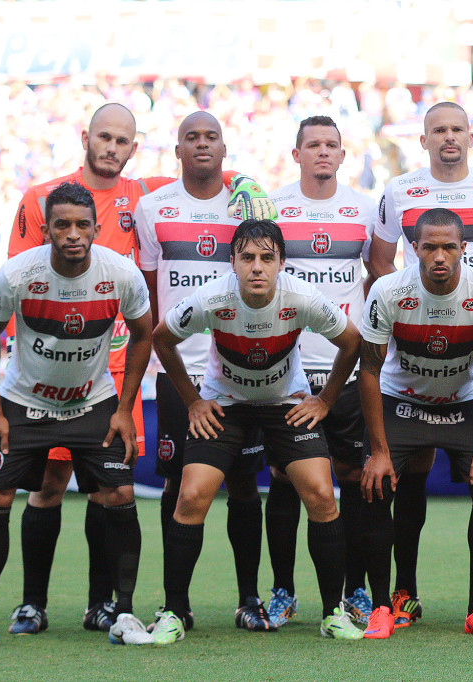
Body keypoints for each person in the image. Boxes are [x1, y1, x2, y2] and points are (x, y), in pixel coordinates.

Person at [5, 103, 274, 635]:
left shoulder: (143, 196)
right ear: (86, 137)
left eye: (122, 140)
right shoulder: (42, 199)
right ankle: (32, 602)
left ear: (136, 146)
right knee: (52, 483)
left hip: (117, 371)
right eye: (104, 137)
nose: (112, 147)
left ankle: (101, 602)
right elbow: (16, 285)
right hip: (54, 368)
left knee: (110, 486)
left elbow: (205, 168)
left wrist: (244, 179)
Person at [0, 181, 154, 647]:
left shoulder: (121, 273)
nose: (73, 234)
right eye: (62, 225)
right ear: (47, 231)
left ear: (97, 229)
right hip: (24, 405)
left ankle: (124, 614)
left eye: (82, 225)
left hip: (92, 403)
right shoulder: (17, 274)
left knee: (119, 494)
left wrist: (123, 407)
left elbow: (143, 335)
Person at [150, 219, 364, 643]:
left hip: (285, 404)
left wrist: (324, 400)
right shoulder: (212, 297)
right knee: (190, 495)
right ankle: (174, 612)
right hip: (225, 405)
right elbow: (161, 338)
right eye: (247, 257)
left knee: (322, 495)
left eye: (268, 257)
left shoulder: (301, 296)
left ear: (282, 262)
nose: (257, 267)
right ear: (232, 262)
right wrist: (193, 401)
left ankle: (332, 612)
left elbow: (353, 342)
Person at [368, 102, 473, 628]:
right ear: (425, 139)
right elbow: (378, 261)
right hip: (408, 378)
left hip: (471, 362)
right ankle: (396, 597)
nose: (449, 138)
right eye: (439, 130)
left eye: (457, 129)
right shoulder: (399, 191)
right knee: (391, 480)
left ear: (470, 136)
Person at [135, 111, 268, 632]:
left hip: (241, 367)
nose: (202, 144)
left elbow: (266, 271)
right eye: (191, 137)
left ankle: (249, 598)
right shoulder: (154, 207)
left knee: (243, 483)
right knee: (176, 486)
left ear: (224, 146)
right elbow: (149, 289)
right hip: (179, 371)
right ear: (178, 150)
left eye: (211, 135)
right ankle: (177, 602)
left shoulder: (247, 204)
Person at [263, 116, 378, 627]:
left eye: (331, 145)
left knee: (352, 479)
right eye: (313, 145)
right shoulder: (275, 207)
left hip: (344, 368)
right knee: (285, 481)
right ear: (297, 154)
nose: (323, 152)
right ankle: (283, 590)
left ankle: (355, 588)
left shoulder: (363, 208)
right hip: (286, 371)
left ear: (342, 154)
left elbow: (377, 275)